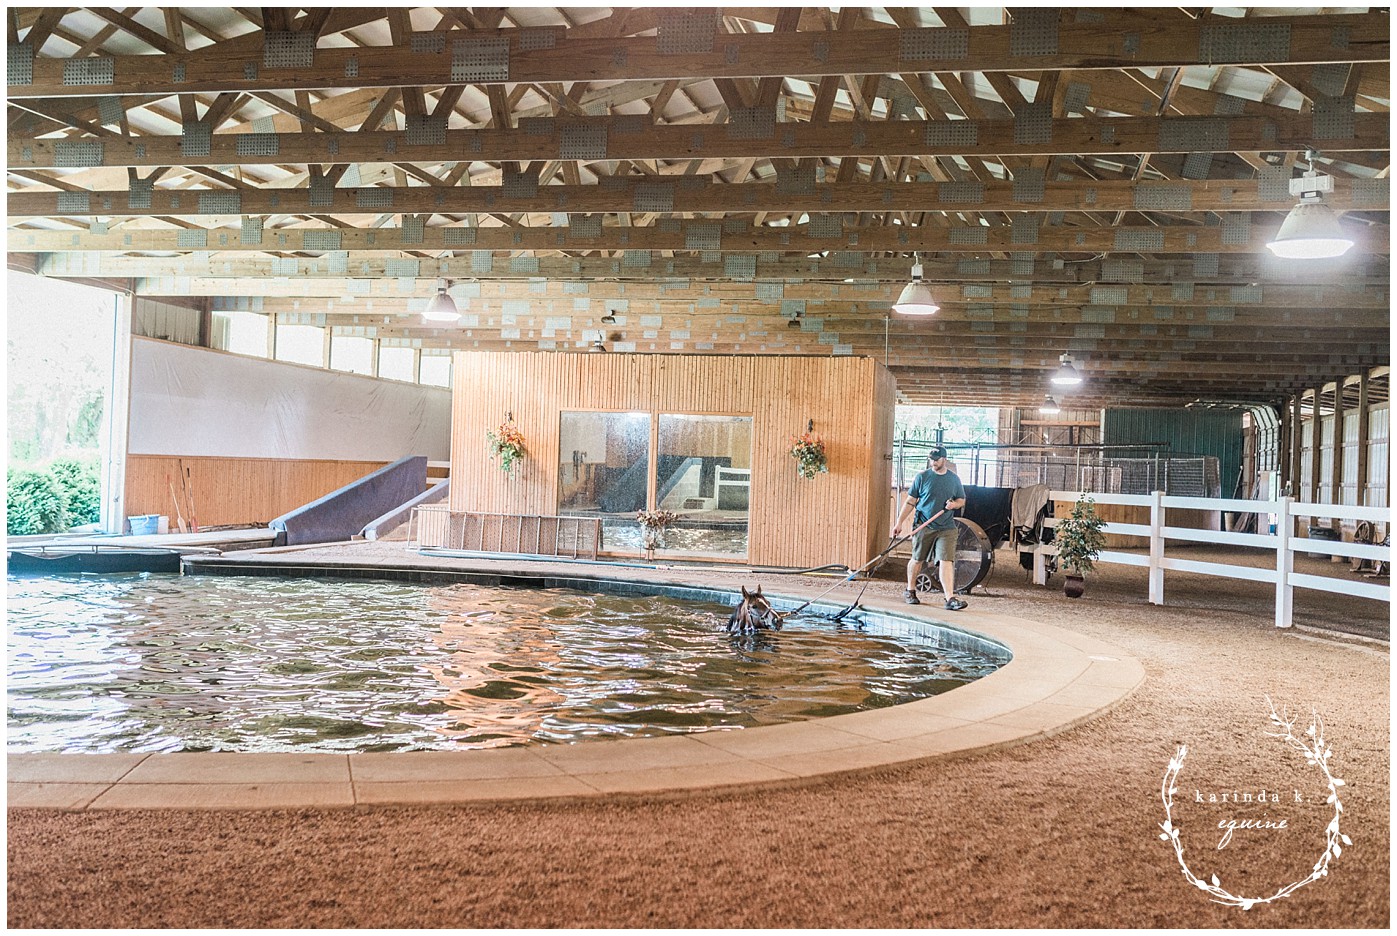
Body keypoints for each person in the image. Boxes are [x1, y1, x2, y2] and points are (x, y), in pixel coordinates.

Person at [892, 445, 968, 610]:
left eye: (936, 459)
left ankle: (950, 598)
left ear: (944, 459)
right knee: (918, 559)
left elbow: (962, 500)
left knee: (946, 560)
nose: (933, 462)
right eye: (931, 459)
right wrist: (899, 522)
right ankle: (910, 590)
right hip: (924, 525)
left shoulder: (954, 479)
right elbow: (910, 501)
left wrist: (954, 504)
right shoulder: (922, 477)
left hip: (946, 526)